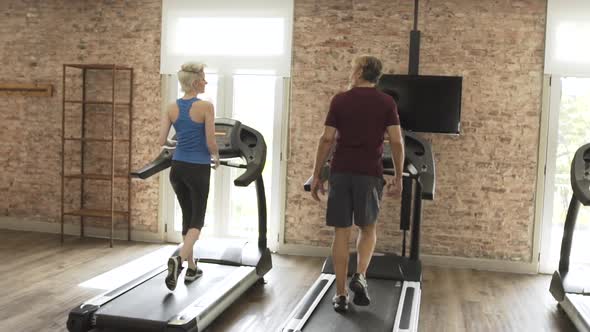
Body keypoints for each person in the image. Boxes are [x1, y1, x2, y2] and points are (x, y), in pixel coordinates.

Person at [310, 55, 405, 312]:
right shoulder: (386, 102)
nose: (351, 71)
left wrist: (316, 174)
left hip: (341, 172)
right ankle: (360, 275)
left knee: (341, 232)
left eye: (353, 67)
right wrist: (398, 176)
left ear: (362, 71)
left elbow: (326, 139)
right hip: (369, 174)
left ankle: (341, 295)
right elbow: (396, 141)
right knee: (368, 228)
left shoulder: (340, 100)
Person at [158, 62, 220, 291]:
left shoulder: (171, 106)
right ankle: (179, 259)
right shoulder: (206, 106)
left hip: (178, 169)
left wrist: (178, 143)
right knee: (198, 220)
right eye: (203, 78)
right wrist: (216, 157)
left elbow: (162, 140)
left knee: (187, 215)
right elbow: (211, 142)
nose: (206, 82)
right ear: (195, 82)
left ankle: (192, 266)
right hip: (198, 169)